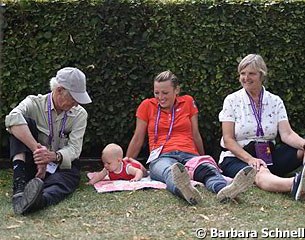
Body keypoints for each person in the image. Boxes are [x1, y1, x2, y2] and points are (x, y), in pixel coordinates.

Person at [125, 70, 256, 205]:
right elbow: (138, 137)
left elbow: (195, 134)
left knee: (207, 170)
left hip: (189, 154)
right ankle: (185, 190)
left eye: (165, 93)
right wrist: (127, 163)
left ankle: (225, 190)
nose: (160, 97)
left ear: (176, 90)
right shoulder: (147, 105)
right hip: (162, 157)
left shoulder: (187, 102)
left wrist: (202, 158)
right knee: (171, 172)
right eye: (156, 93)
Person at [5, 67, 92, 215]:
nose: (77, 104)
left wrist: (53, 157)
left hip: (59, 165)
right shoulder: (33, 103)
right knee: (19, 124)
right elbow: (11, 119)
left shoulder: (80, 115)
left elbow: (75, 149)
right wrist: (38, 152)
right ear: (59, 91)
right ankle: (19, 188)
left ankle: (39, 200)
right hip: (35, 162)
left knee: (68, 179)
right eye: (74, 98)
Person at [218, 54, 305, 201]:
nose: (246, 78)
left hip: (269, 155)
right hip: (237, 157)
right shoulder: (231, 100)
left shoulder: (275, 101)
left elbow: (287, 134)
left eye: (251, 73)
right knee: (259, 171)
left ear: (261, 75)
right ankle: (294, 185)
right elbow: (228, 140)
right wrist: (250, 159)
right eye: (242, 74)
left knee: (302, 149)